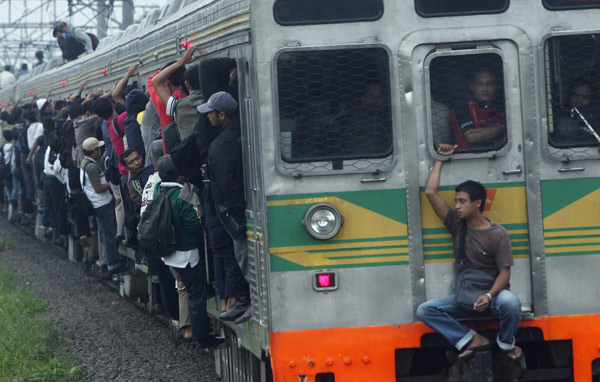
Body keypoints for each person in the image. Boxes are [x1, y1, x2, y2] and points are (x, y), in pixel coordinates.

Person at [417, 143, 524, 365]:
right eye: (456, 201)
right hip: (466, 297)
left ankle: (506, 344)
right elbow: (430, 192)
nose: (457, 206)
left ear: (477, 203)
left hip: (493, 297)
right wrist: (440, 159)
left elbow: (505, 274)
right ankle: (472, 339)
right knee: (426, 310)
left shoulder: (499, 234)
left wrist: (489, 296)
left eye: (462, 201)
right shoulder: (457, 225)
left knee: (512, 303)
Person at [155, 154, 225, 349]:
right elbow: (194, 225)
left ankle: (197, 333)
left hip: (169, 254)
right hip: (186, 254)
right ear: (180, 174)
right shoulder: (182, 198)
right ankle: (202, 337)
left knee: (188, 289)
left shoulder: (158, 192)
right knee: (195, 296)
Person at [197, 91, 251, 323]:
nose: (208, 118)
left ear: (222, 114)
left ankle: (247, 301)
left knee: (242, 255)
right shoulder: (242, 132)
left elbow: (227, 183)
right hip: (244, 206)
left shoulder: (220, 146)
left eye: (211, 113)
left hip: (233, 211)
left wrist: (232, 209)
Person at [80, 137, 128, 279]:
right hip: (102, 204)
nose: (100, 150)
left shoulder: (84, 163)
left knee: (103, 233)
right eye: (98, 148)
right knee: (109, 234)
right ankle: (113, 264)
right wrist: (113, 184)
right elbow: (98, 188)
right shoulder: (92, 167)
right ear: (93, 151)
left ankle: (105, 262)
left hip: (96, 204)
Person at [449, 70, 506, 150]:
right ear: (472, 87)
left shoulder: (500, 111)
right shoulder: (461, 108)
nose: (484, 89)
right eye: (480, 84)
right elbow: (471, 136)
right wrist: (506, 126)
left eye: (490, 84)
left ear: (497, 87)